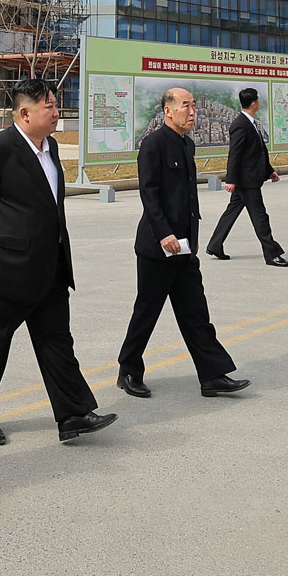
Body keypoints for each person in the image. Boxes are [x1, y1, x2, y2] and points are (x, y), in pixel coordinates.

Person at [0, 78, 115, 447]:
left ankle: (73, 413)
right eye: (50, 107)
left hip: (50, 267)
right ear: (25, 113)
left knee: (58, 342)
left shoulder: (51, 147)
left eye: (56, 105)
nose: (57, 113)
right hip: (3, 270)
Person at [115, 87, 247, 400]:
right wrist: (164, 233)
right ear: (168, 111)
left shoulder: (187, 145)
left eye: (193, 106)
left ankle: (213, 375)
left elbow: (187, 197)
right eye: (185, 106)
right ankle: (129, 371)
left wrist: (190, 236)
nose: (192, 112)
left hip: (185, 247)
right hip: (157, 247)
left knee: (196, 312)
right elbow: (149, 192)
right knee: (147, 311)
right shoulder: (153, 144)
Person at [206, 87, 287, 266]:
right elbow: (235, 154)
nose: (259, 102)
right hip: (246, 181)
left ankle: (214, 245)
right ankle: (271, 254)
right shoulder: (240, 124)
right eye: (257, 99)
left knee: (231, 212)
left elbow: (257, 152)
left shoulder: (250, 122)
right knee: (260, 217)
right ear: (253, 103)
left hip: (248, 178)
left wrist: (269, 171)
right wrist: (231, 180)